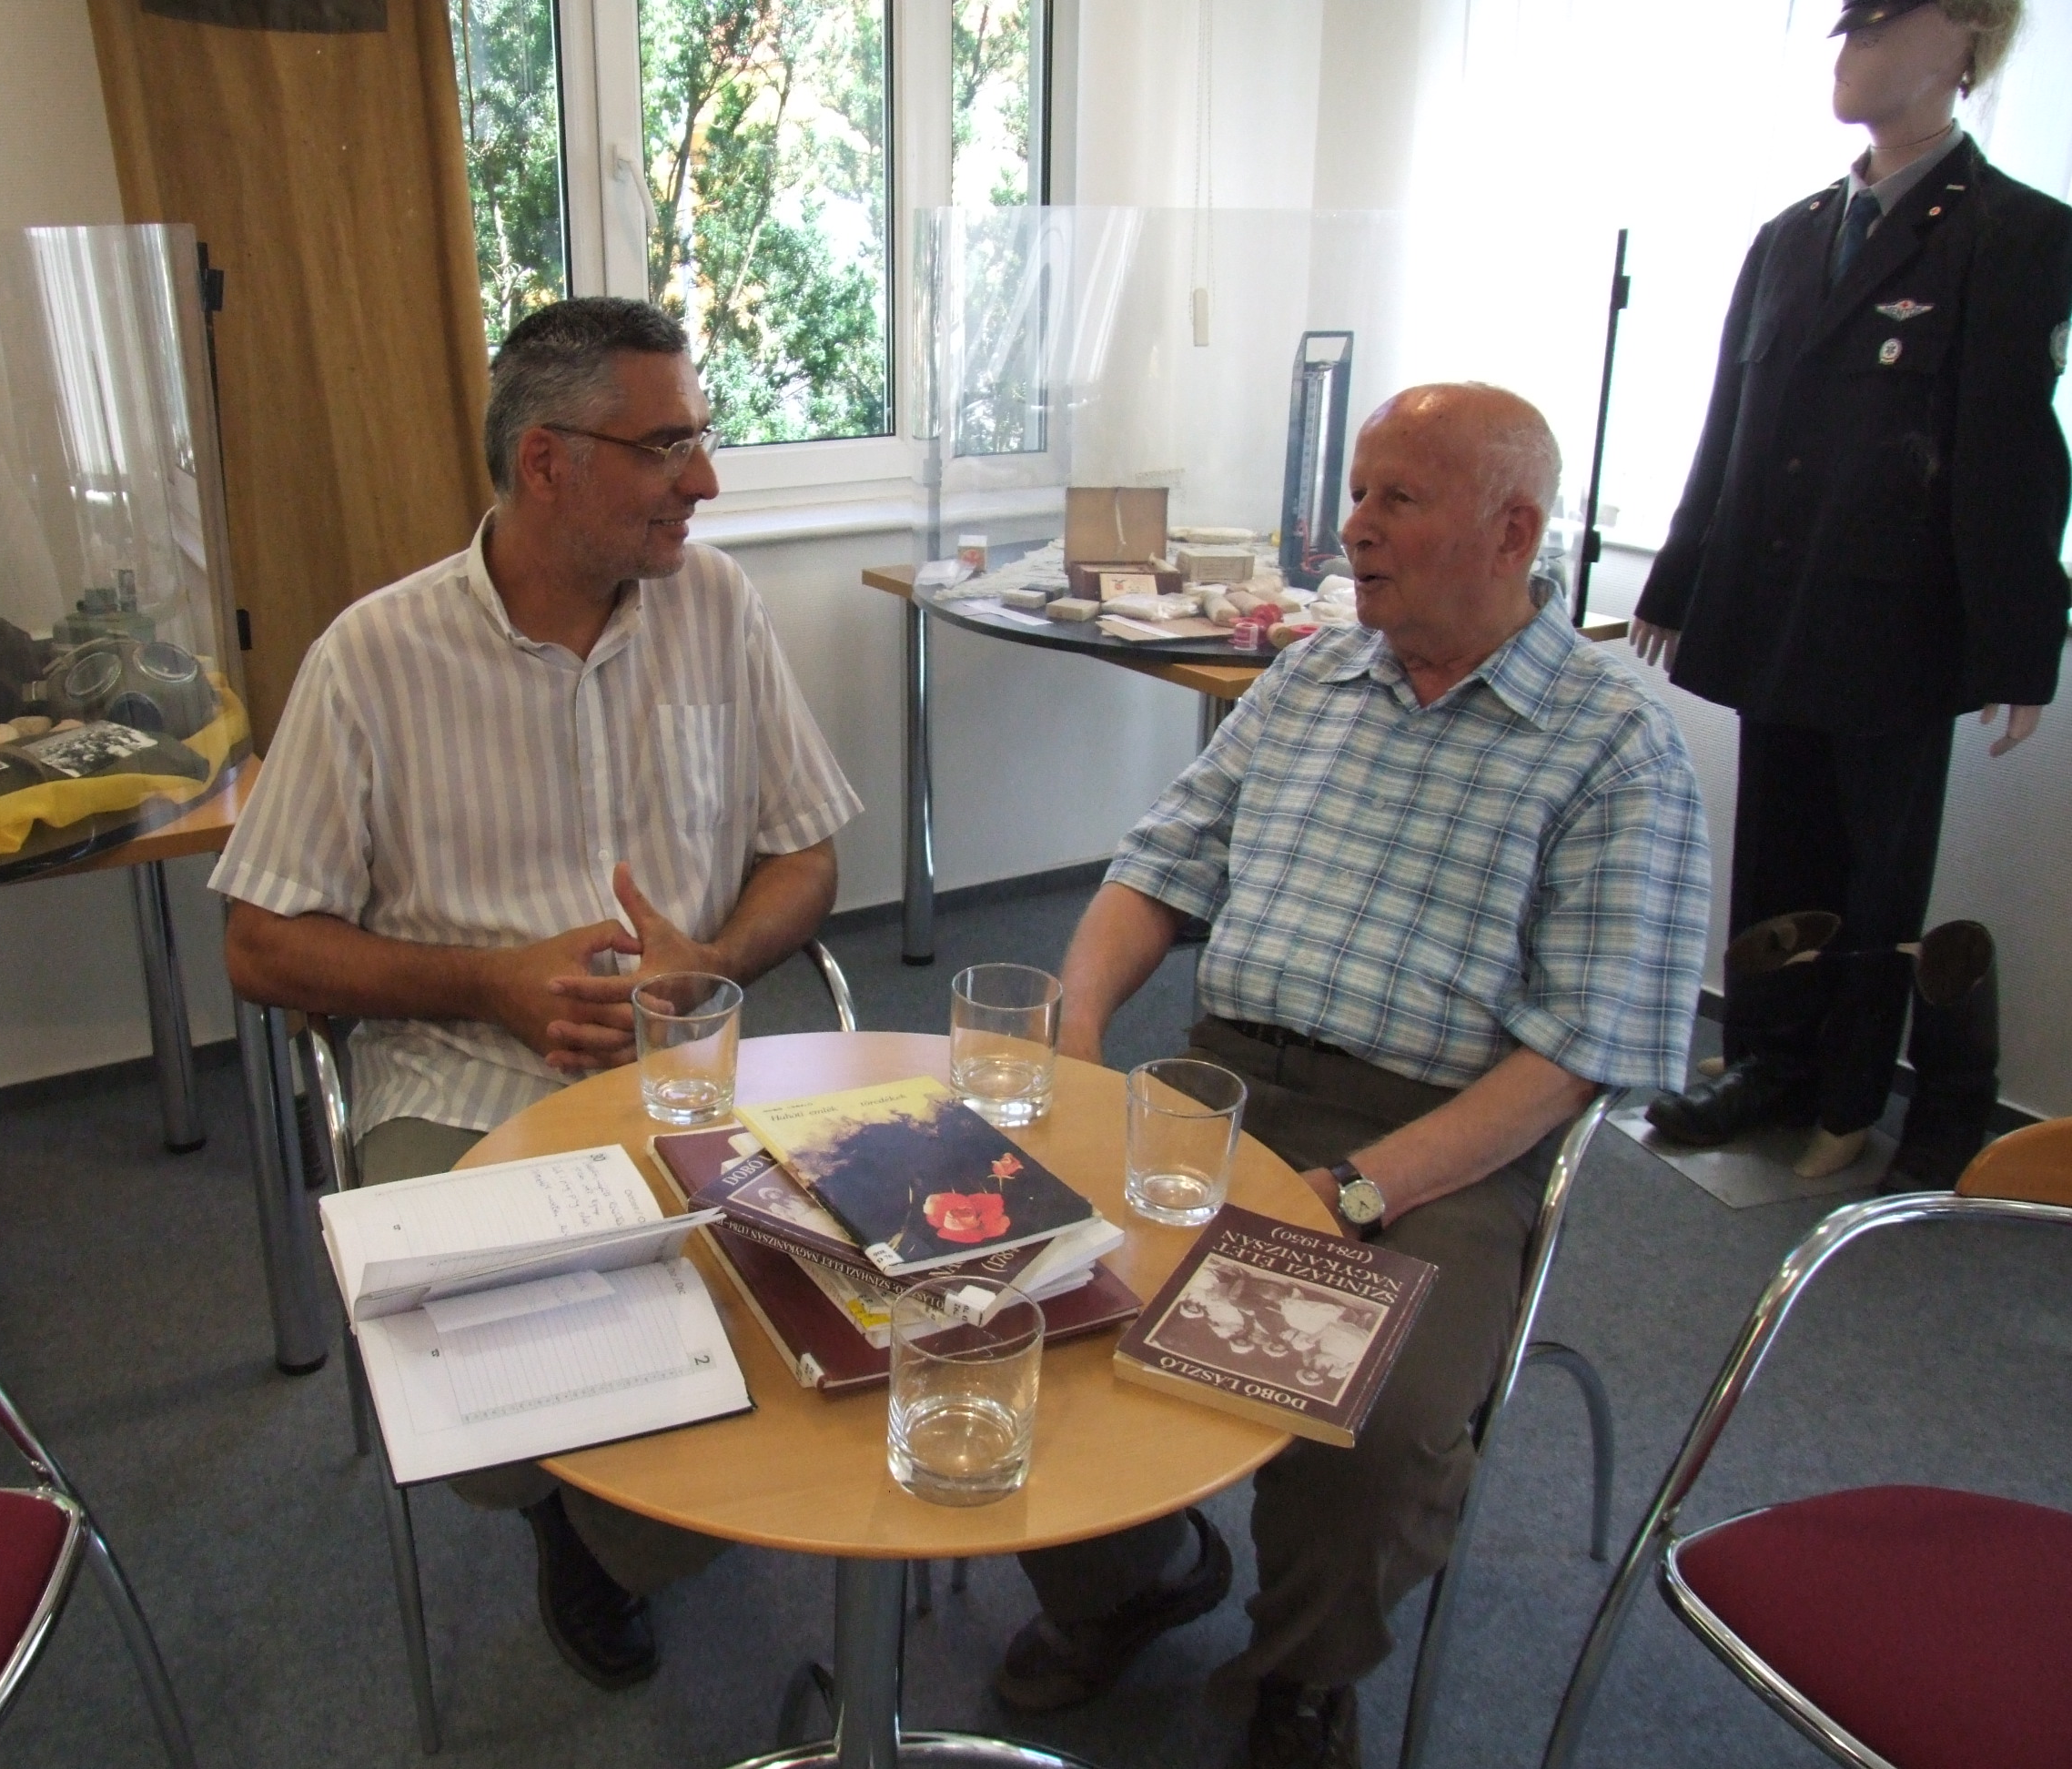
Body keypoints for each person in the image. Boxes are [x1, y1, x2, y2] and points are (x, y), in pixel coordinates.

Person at [993, 384, 1710, 1769]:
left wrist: (1359, 1191)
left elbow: (1577, 1054)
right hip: (1219, 1084)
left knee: (1369, 1424)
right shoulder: (1312, 678)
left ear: (1512, 533)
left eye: (1397, 498)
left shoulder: (1617, 745)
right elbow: (1158, 869)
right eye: (1359, 490)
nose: (1353, 526)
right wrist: (1076, 1037)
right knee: (1015, 1288)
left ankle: (1300, 1674)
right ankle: (1131, 1580)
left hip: (1438, 1141)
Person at [212, 297, 859, 1689]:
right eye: (667, 446)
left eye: (701, 437)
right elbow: (259, 944)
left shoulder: (717, 607)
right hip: (464, 1089)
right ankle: (568, 1517)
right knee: (527, 1405)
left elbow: (807, 851)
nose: (705, 480)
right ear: (546, 463)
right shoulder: (374, 658)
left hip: (689, 1083)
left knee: (831, 1330)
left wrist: (715, 958)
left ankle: (623, 1526)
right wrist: (484, 983)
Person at [1632, 0, 2070, 1186]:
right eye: (1846, 24)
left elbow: (2015, 456)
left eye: (1881, 22)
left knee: (1877, 874)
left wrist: (2020, 641)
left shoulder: (2016, 235)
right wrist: (1680, 571)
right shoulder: (1791, 235)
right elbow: (1729, 424)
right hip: (1776, 602)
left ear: (1965, 36)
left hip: (1895, 623)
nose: (1850, 46)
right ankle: (1764, 1064)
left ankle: (1849, 1092)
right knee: (1776, 854)